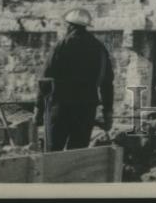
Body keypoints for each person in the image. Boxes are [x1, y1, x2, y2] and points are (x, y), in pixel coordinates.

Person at [34, 8, 114, 151]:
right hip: (86, 109)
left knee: (53, 152)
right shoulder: (99, 48)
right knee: (77, 152)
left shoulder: (61, 46)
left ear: (70, 26)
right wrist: (108, 113)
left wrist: (38, 110)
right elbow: (107, 84)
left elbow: (46, 79)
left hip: (60, 108)